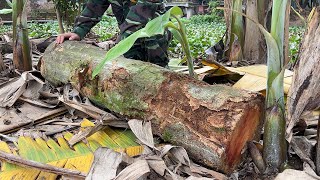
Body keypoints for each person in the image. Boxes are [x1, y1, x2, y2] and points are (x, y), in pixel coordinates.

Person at [56, 0, 171, 67]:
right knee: (131, 71)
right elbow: (95, 5)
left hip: (153, 35)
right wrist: (79, 31)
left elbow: (141, 13)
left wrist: (121, 45)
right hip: (127, 36)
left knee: (157, 71)